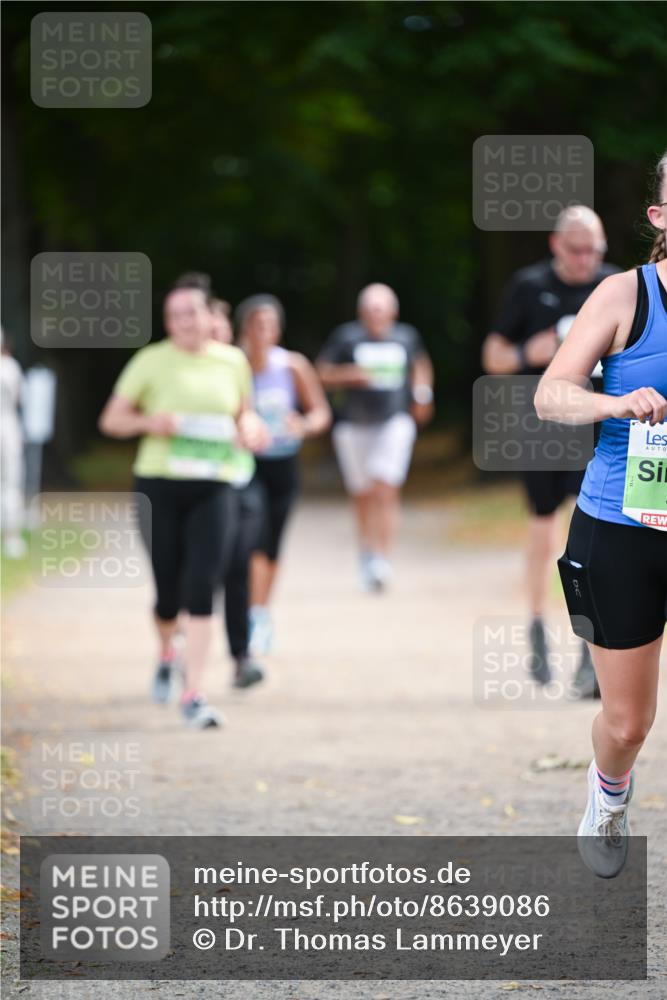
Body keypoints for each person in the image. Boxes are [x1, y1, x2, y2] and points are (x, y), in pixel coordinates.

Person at [534, 151, 667, 878]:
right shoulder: (624, 296)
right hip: (619, 528)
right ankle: (608, 793)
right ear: (659, 217)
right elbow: (550, 394)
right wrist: (612, 401)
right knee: (626, 723)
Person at [99, 283, 264, 728]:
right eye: (175, 316)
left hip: (215, 484)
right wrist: (153, 421)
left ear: (209, 316)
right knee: (168, 594)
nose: (184, 323)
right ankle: (167, 651)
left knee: (201, 585)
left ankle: (194, 693)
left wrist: (250, 427)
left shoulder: (232, 361)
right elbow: (111, 420)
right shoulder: (151, 361)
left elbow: (244, 413)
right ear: (167, 322)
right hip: (159, 485)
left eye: (191, 313)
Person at [481, 207, 619, 696]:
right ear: (555, 245)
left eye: (595, 250)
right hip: (542, 428)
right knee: (544, 532)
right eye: (577, 249)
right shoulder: (528, 285)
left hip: (601, 429)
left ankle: (590, 651)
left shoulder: (615, 287)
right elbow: (493, 357)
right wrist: (526, 354)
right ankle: (538, 627)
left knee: (594, 541)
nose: (587, 259)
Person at [316, 283, 434, 591]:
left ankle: (383, 559)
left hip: (393, 421)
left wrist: (423, 395)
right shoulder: (346, 337)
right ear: (361, 313)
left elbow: (420, 366)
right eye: (370, 310)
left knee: (386, 486)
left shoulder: (406, 337)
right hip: (353, 425)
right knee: (363, 494)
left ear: (392, 312)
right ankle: (366, 553)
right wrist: (349, 375)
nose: (376, 315)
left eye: (380, 309)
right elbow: (322, 374)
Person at [235, 294, 331, 656]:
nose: (265, 333)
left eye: (271, 326)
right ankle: (248, 610)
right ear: (245, 329)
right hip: (246, 465)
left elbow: (320, 412)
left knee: (272, 544)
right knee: (252, 539)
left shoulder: (292, 366)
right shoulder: (233, 366)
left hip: (283, 464)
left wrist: (303, 425)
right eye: (258, 326)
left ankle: (260, 612)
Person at [0, 327, 26, 559]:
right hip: (8, 427)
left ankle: (11, 535)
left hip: (7, 425)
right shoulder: (11, 367)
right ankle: (11, 536)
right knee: (11, 483)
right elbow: (19, 398)